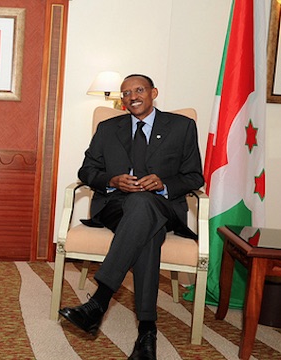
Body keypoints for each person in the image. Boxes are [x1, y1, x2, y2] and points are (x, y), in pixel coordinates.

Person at [58, 74, 204, 360]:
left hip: (163, 207)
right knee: (144, 225)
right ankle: (146, 333)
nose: (132, 96)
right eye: (126, 93)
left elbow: (194, 176)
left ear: (153, 93)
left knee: (143, 207)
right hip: (115, 206)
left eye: (139, 90)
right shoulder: (107, 128)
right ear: (122, 99)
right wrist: (112, 181)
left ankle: (99, 303)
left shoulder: (181, 127)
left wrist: (163, 184)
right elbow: (86, 172)